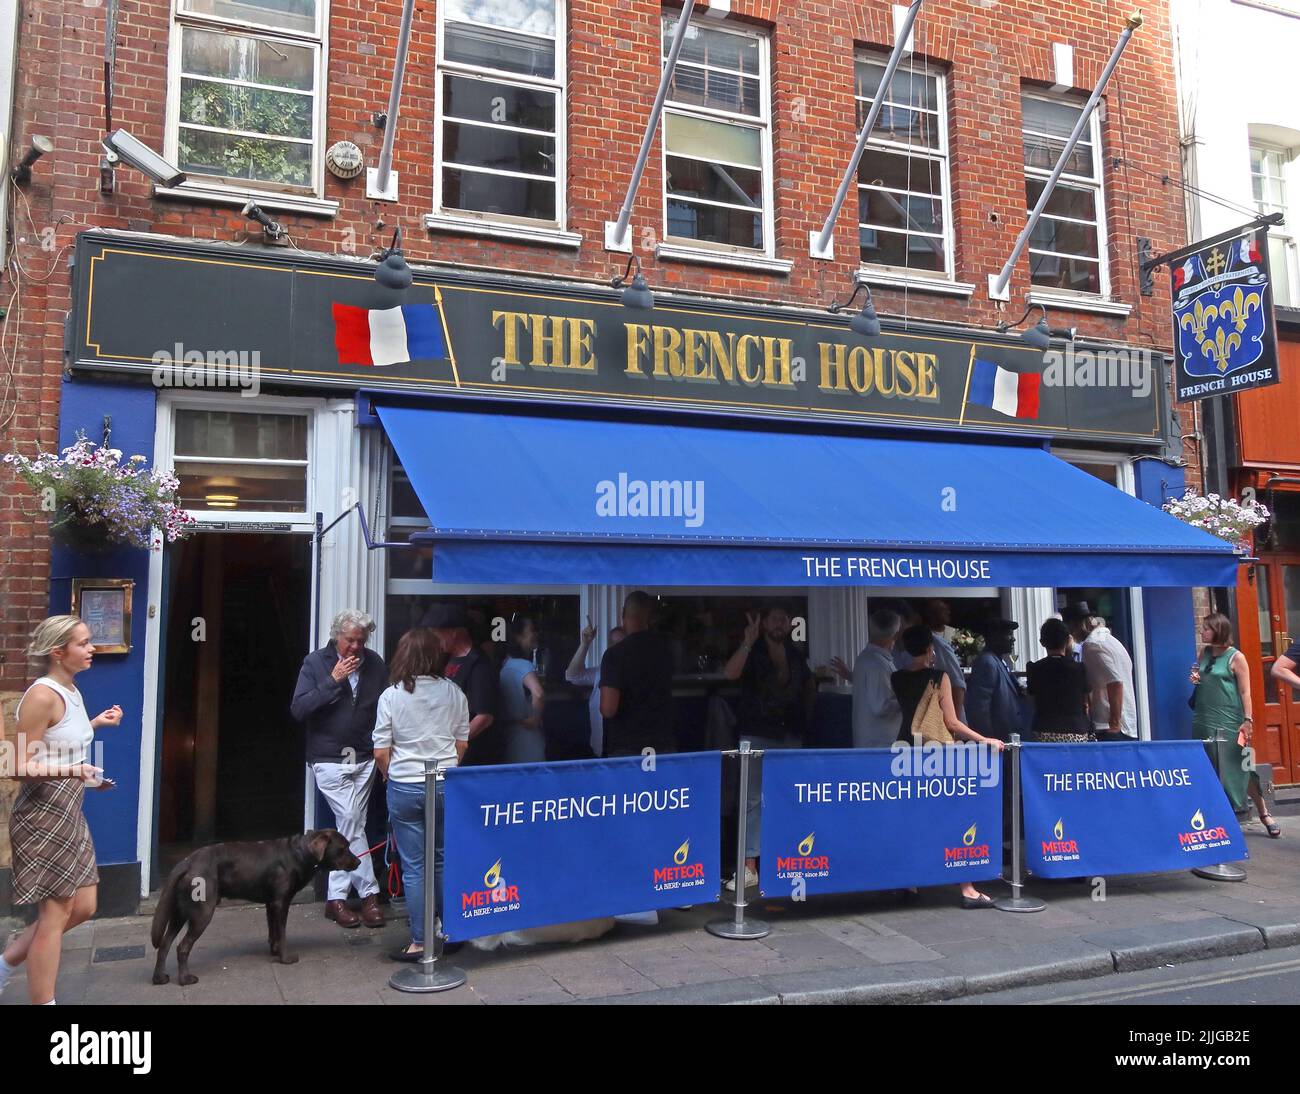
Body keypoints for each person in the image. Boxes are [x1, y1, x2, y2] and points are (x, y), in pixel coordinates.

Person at [1, 616, 123, 1005]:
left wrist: (95, 725)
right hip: (41, 818)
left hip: (69, 812)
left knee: (84, 906)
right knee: (54, 917)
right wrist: (74, 771)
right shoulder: (41, 695)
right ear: (59, 651)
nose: (91, 649)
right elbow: (16, 765)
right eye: (83, 644)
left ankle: (5, 963)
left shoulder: (70, 690)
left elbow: (59, 742)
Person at [373, 628, 471, 962]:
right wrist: (447, 767)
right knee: (442, 859)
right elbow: (462, 742)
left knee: (415, 868)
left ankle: (419, 941)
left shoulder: (391, 696)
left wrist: (390, 775)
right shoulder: (454, 692)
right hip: (445, 784)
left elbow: (380, 751)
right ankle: (451, 930)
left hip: (405, 786)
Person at [890, 624, 1003, 908]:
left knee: (912, 817)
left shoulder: (896, 678)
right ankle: (966, 888)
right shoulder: (940, 677)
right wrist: (984, 739)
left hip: (904, 751)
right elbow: (952, 723)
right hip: (935, 755)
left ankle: (910, 883)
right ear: (930, 648)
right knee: (953, 817)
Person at [290, 608, 387, 929]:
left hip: (364, 757)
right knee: (351, 821)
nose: (356, 647)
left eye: (361, 640)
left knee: (352, 824)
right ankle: (369, 894)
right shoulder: (315, 663)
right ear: (336, 637)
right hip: (329, 758)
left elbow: (384, 707)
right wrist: (333, 681)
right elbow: (299, 709)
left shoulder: (375, 664)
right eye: (350, 641)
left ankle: (337, 901)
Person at [723, 604, 816, 891]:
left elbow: (808, 688)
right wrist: (746, 643)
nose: (779, 624)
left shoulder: (796, 655)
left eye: (784, 619)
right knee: (751, 801)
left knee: (788, 798)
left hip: (790, 736)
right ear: (763, 624)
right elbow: (730, 674)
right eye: (774, 619)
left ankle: (785, 861)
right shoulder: (754, 650)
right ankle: (749, 867)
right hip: (757, 732)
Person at [1193, 613, 1278, 836]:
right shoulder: (1203, 653)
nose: (1202, 632)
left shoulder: (1236, 657)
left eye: (1206, 629)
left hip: (1230, 720)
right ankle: (1219, 818)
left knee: (1242, 766)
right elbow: (1199, 678)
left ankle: (1263, 812)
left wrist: (1248, 720)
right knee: (1210, 766)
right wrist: (1195, 675)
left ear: (1219, 630)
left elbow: (1245, 691)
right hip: (1203, 717)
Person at [421, 602, 500, 766]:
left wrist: (452, 746)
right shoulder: (445, 658)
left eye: (436, 634)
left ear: (454, 633)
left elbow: (484, 717)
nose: (433, 640)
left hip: (470, 757)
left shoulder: (479, 665)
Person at [599, 591, 675, 758]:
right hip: (662, 743)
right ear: (649, 617)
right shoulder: (666, 651)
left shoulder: (615, 655)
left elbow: (608, 709)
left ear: (622, 613)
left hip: (625, 747)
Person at [831, 607, 903, 749]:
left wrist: (851, 676)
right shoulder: (878, 664)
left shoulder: (866, 658)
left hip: (871, 741)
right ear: (894, 634)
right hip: (880, 744)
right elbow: (881, 706)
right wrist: (907, 699)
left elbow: (872, 689)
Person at [1063, 604, 1137, 740]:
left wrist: (1114, 723)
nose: (1071, 634)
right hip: (1128, 725)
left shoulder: (1092, 645)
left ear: (1078, 625)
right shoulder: (1112, 641)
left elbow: (1115, 682)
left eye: (1070, 628)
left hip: (1109, 727)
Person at [565, 618, 625, 757]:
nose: (616, 648)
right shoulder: (601, 670)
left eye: (621, 644)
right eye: (613, 644)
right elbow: (572, 675)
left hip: (625, 747)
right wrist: (585, 644)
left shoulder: (635, 672)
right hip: (601, 745)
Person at [1026, 618, 1093, 742]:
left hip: (1044, 731)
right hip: (1076, 731)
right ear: (1068, 640)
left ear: (1042, 642)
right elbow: (1087, 702)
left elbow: (1031, 699)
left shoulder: (1034, 669)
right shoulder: (1079, 669)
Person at [498, 615, 547, 764]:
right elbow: (538, 693)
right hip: (527, 736)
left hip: (511, 734)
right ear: (519, 637)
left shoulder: (507, 664)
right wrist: (536, 719)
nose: (535, 634)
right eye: (531, 630)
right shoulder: (523, 665)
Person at [966, 619, 1024, 742]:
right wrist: (987, 740)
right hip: (996, 742)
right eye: (1008, 634)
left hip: (1006, 738)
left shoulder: (998, 660)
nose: (1013, 639)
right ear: (994, 637)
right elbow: (979, 709)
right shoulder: (987, 662)